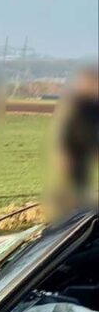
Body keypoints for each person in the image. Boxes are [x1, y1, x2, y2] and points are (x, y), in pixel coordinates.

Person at [54, 65, 99, 214]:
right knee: (76, 184)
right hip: (75, 150)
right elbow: (66, 131)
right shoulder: (76, 104)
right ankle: (75, 217)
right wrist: (64, 154)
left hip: (88, 148)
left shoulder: (93, 104)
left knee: (82, 184)